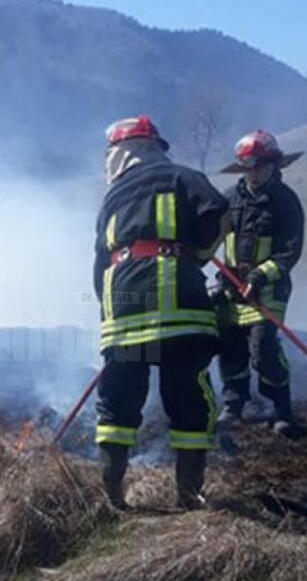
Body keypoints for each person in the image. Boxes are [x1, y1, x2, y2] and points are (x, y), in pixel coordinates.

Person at [93, 115, 229, 510]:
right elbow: (219, 215)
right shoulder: (181, 176)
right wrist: (198, 256)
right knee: (187, 395)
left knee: (117, 400)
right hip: (178, 305)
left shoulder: (111, 200)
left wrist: (109, 318)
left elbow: (99, 264)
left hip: (124, 309)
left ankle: (113, 501)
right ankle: (189, 498)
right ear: (154, 149)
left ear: (119, 156)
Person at [213, 129, 305, 434]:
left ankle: (282, 408)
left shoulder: (286, 202)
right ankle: (233, 405)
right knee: (230, 349)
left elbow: (288, 253)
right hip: (230, 290)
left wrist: (257, 276)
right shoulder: (226, 200)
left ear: (273, 166)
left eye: (259, 167)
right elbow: (209, 240)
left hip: (268, 290)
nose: (253, 174)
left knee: (263, 349)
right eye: (248, 168)